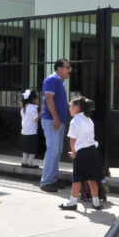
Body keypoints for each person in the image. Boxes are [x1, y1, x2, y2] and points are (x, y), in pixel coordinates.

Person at [58, 97, 103, 211]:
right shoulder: (89, 119)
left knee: (77, 179)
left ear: (77, 107)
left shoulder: (75, 121)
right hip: (92, 150)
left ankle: (72, 203)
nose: (69, 109)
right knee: (92, 178)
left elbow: (72, 140)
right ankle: (96, 203)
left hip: (81, 152)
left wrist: (73, 152)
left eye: (71, 106)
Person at [39, 59, 71, 192]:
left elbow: (57, 101)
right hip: (52, 121)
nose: (70, 70)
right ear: (59, 69)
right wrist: (56, 118)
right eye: (67, 67)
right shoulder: (51, 80)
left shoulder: (59, 82)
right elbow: (49, 99)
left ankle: (52, 180)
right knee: (52, 151)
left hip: (57, 121)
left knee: (56, 151)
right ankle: (46, 182)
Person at [20, 88, 40, 169]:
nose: (38, 100)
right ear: (33, 100)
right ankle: (30, 162)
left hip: (24, 131)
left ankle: (24, 161)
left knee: (25, 148)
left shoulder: (24, 108)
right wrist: (41, 111)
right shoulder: (33, 108)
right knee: (33, 148)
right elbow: (36, 119)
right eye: (37, 98)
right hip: (32, 131)